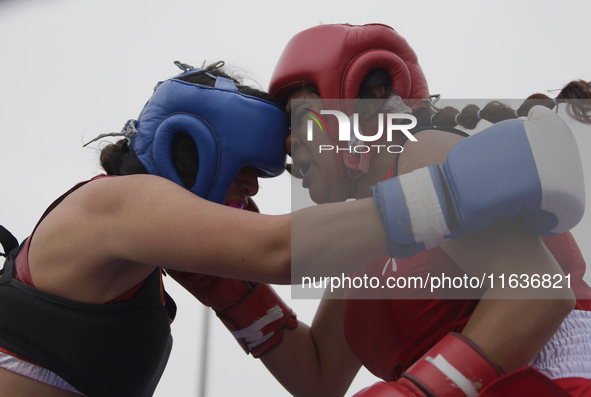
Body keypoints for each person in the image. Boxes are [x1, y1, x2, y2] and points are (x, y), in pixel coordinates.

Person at [0, 58, 584, 397]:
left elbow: (539, 296)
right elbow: (283, 258)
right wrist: (455, 193)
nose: (259, 187)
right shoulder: (118, 205)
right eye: (251, 169)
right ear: (192, 145)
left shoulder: (423, 153)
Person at [256, 23, 590, 396]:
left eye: (299, 117)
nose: (289, 143)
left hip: (561, 380)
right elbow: (320, 377)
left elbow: (538, 293)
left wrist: (419, 391)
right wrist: (227, 286)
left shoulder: (422, 156)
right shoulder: (365, 234)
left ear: (359, 100)